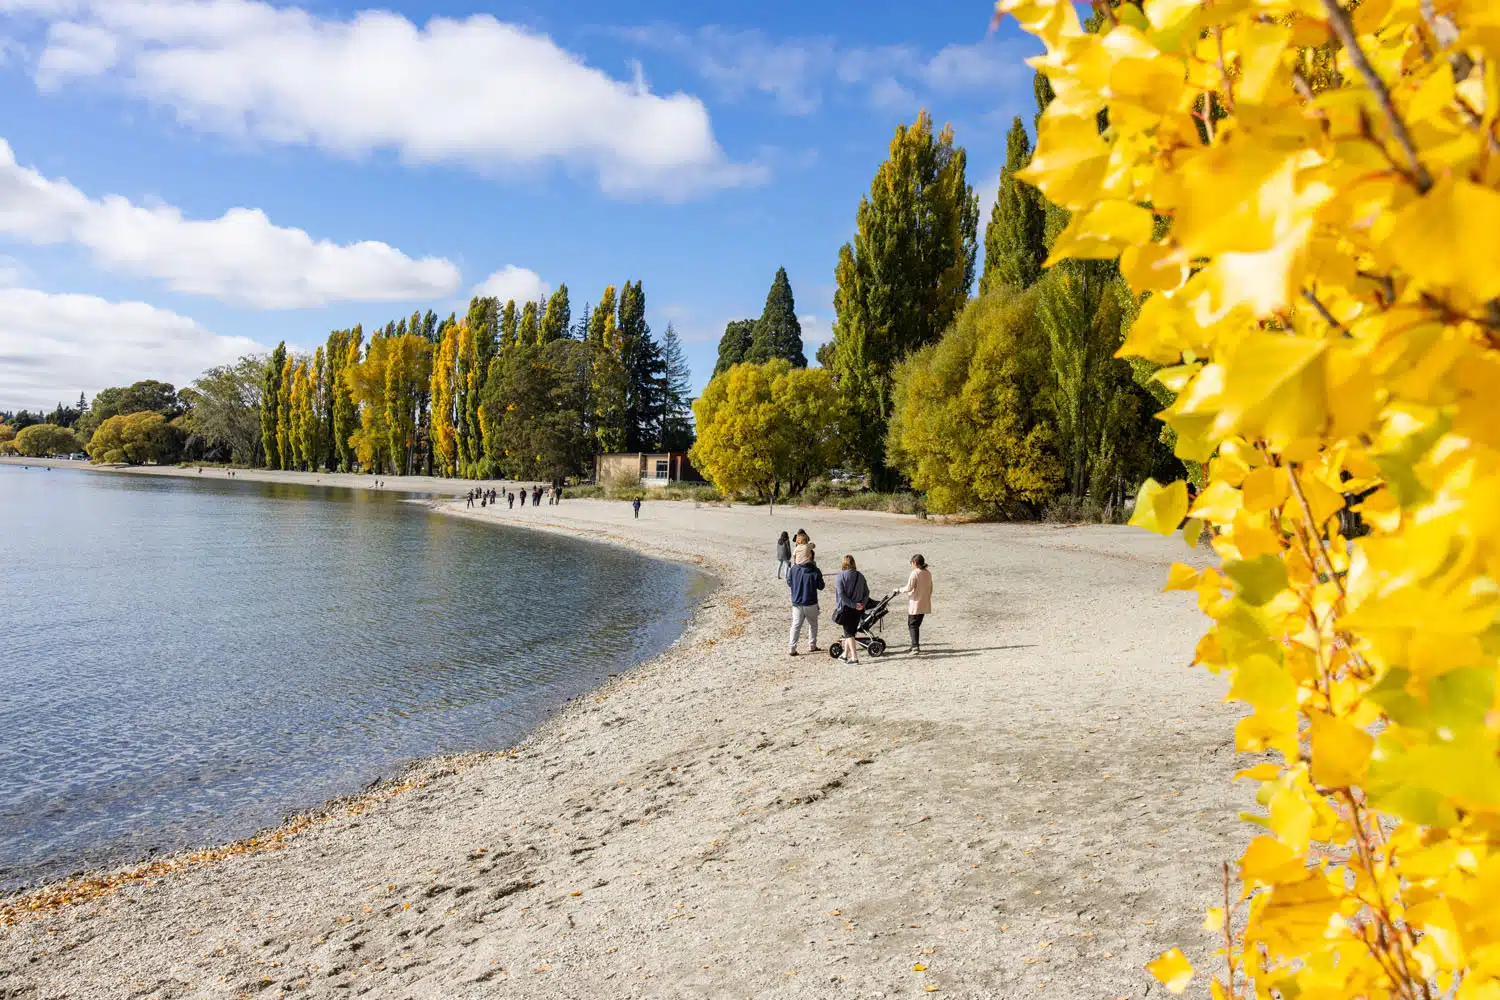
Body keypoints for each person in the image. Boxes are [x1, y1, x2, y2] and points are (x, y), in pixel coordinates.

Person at [834, 555, 870, 664]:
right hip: (858, 609)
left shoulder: (841, 576)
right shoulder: (860, 576)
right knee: (850, 633)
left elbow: (841, 594)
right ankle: (845, 655)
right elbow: (867, 592)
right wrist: (861, 604)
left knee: (849, 633)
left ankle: (854, 657)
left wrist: (853, 605)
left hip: (847, 608)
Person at [786, 554, 825, 656]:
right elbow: (821, 586)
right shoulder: (814, 570)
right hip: (810, 602)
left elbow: (789, 582)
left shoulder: (794, 569)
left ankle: (792, 648)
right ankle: (812, 645)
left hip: (797, 602)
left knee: (796, 625)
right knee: (813, 624)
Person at [901, 554, 933, 654]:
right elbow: (931, 587)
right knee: (916, 625)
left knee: (912, 625)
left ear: (914, 562)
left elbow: (909, 587)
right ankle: (914, 645)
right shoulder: (928, 573)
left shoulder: (915, 573)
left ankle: (915, 646)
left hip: (915, 603)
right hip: (924, 602)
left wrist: (899, 590)